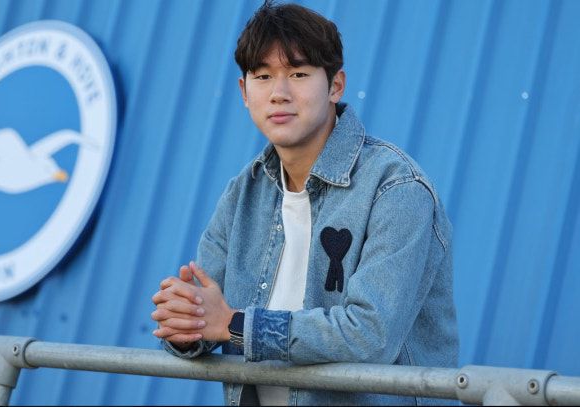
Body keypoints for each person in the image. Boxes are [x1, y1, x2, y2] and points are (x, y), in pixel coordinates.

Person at [151, 2, 458, 405]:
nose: (279, 93)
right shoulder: (243, 194)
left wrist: (236, 326)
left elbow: (371, 335)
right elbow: (209, 320)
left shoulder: (395, 188)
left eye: (298, 74)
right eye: (263, 76)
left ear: (335, 86)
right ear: (244, 92)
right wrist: (184, 322)